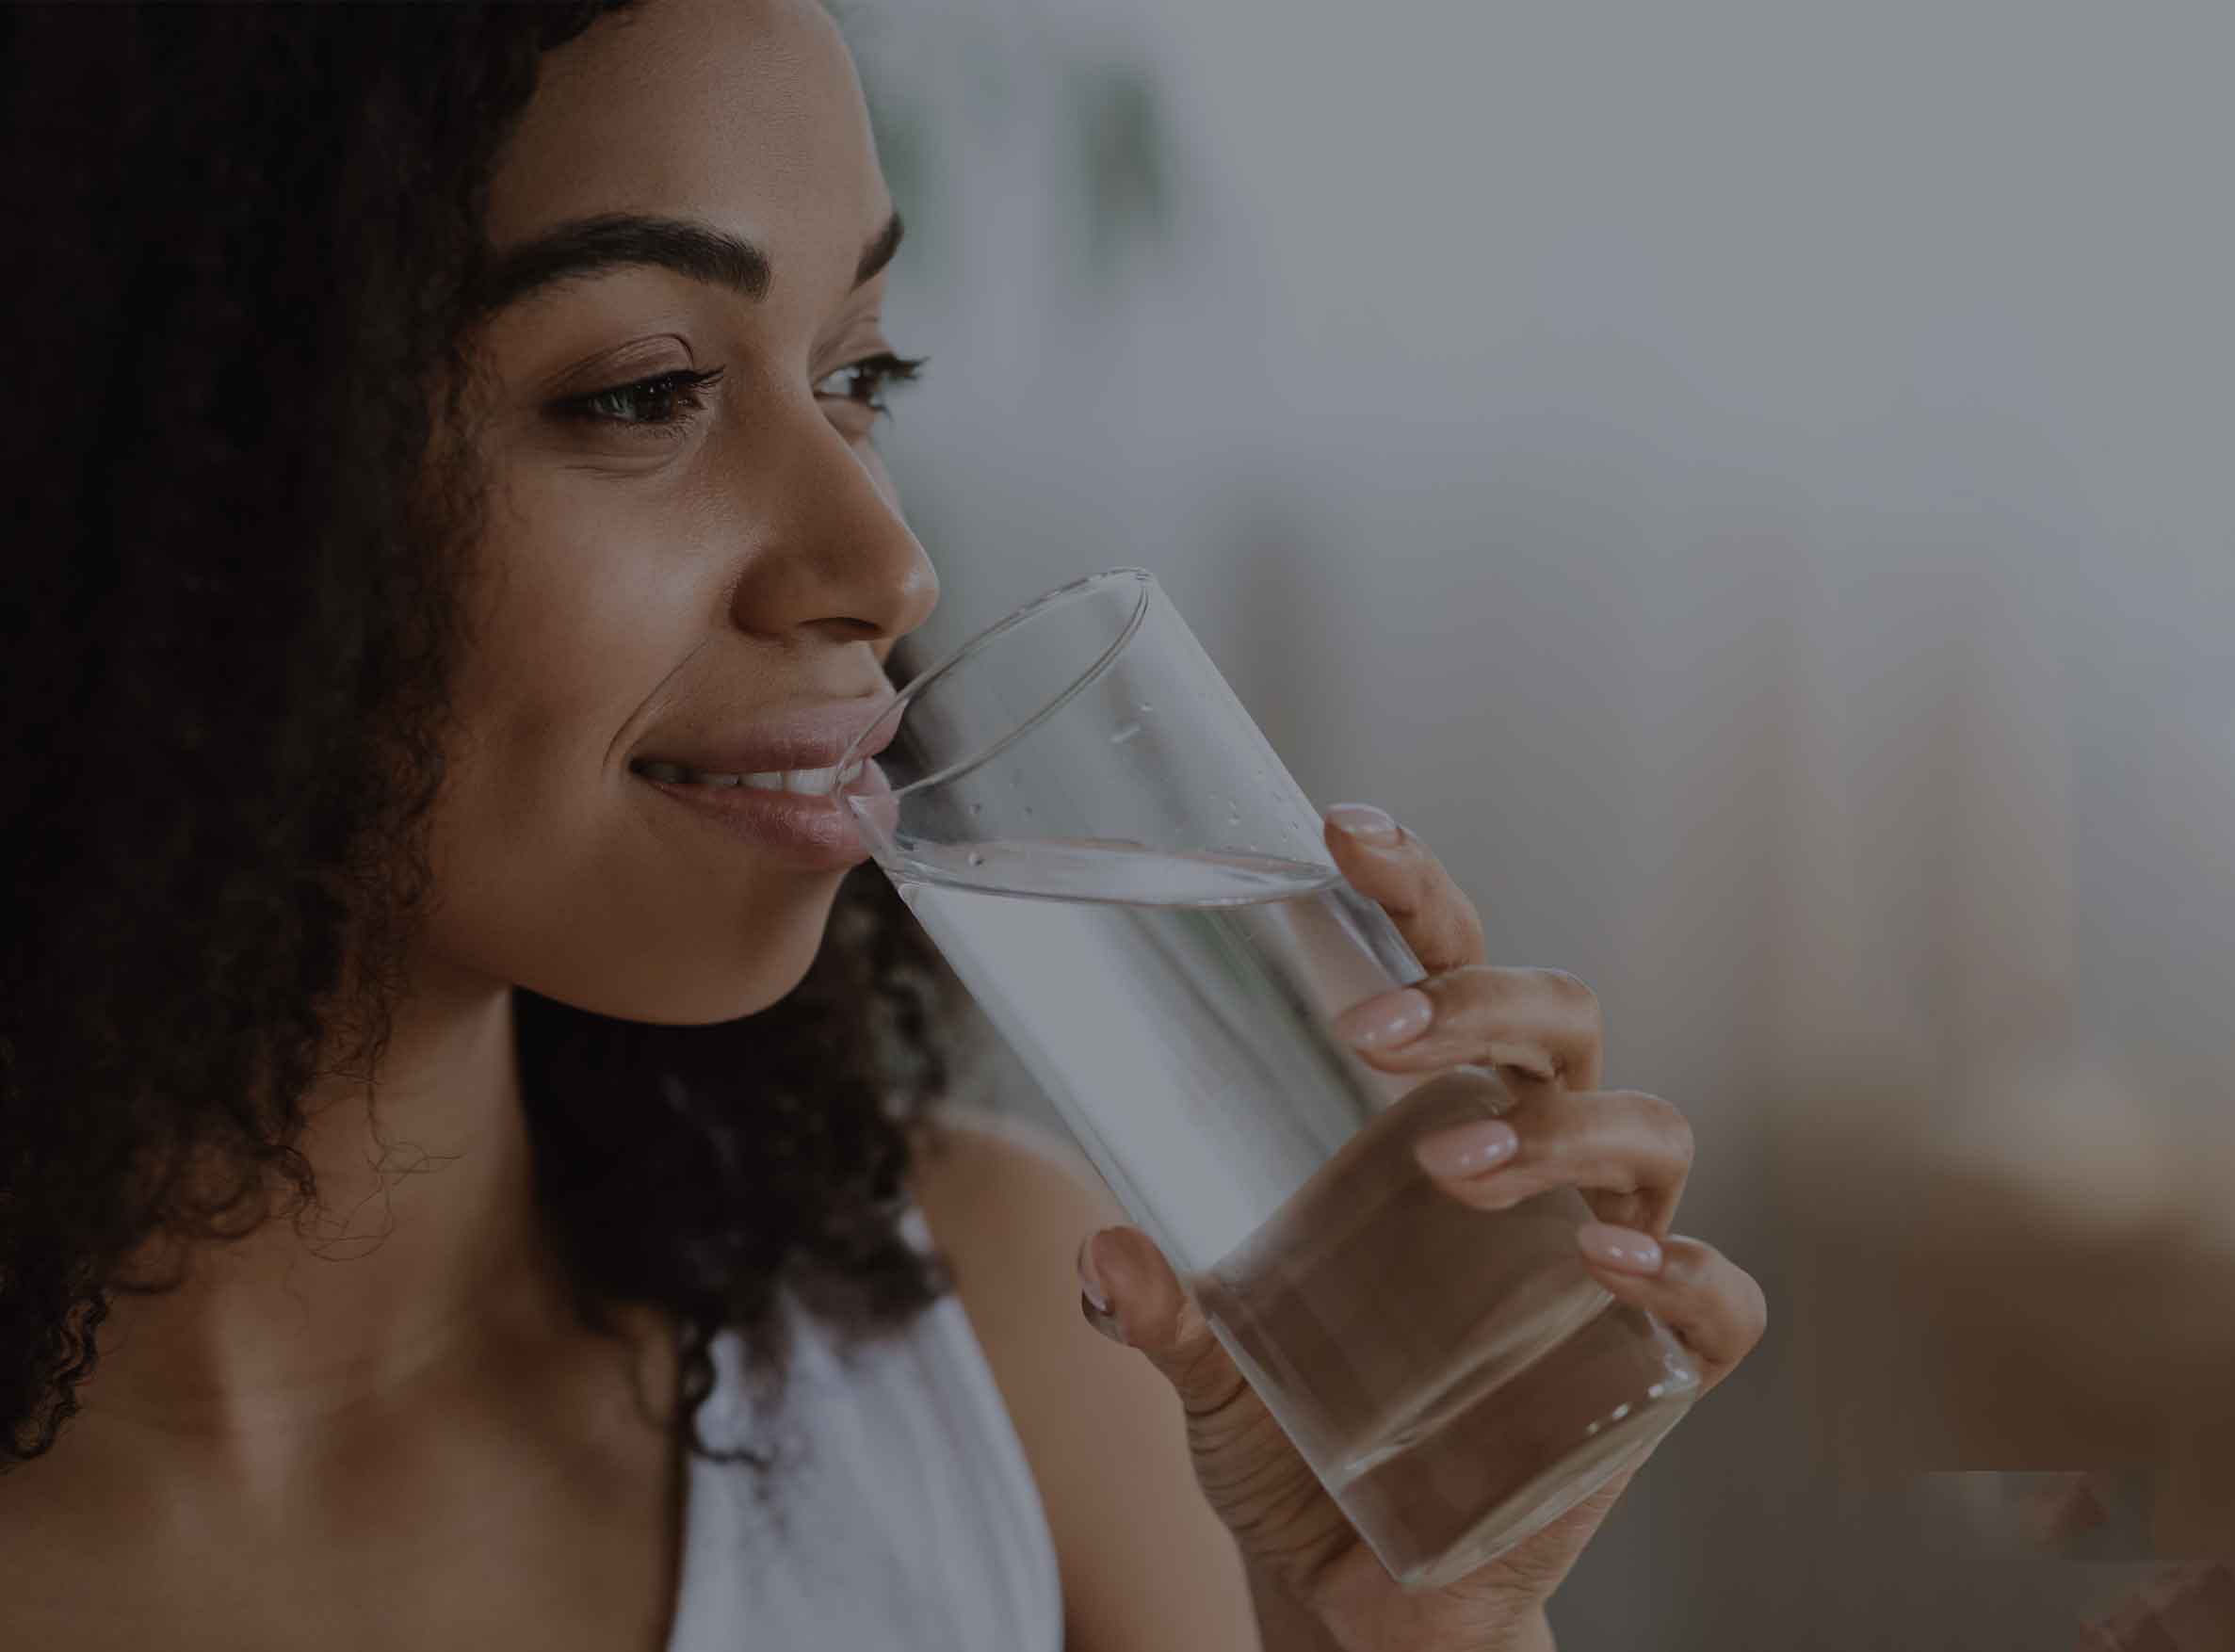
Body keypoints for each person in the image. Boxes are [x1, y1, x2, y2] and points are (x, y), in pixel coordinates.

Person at [0, 3, 1765, 1646]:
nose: (884, 563)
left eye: (859, 373)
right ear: (167, 476)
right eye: (643, 392)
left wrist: (1405, 1629)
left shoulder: (1011, 1337)